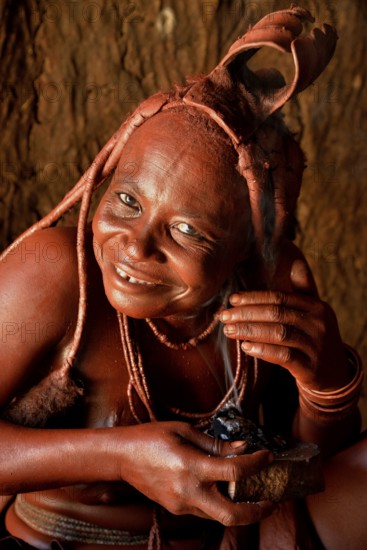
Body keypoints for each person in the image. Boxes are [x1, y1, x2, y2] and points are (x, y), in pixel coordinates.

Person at [0, 5, 366, 549]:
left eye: (188, 231)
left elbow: (311, 470)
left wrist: (327, 387)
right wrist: (122, 458)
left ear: (246, 248)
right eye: (125, 199)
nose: (136, 245)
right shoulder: (55, 273)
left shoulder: (268, 287)